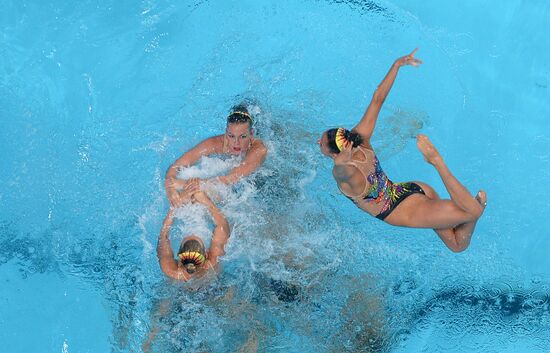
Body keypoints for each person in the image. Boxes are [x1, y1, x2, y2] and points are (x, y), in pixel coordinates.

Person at [317, 49, 487, 252]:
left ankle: (438, 164)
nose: (317, 142)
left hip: (407, 211)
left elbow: (341, 170)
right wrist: (396, 65)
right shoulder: (360, 140)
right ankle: (467, 205)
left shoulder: (344, 173)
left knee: (472, 214)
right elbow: (377, 99)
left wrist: (341, 163)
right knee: (456, 243)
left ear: (335, 153)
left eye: (321, 143)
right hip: (410, 189)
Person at [165, 104, 268, 207]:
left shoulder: (259, 150)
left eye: (243, 137)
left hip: (263, 184)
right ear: (226, 132)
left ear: (251, 134)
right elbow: (177, 166)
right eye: (231, 136)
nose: (236, 143)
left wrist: (183, 184)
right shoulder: (216, 143)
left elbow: (231, 178)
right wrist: (170, 191)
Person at [157, 191, 230, 281]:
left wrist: (175, 206)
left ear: (179, 262)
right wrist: (207, 201)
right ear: (206, 255)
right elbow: (223, 226)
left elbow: (163, 236)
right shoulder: (212, 263)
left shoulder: (171, 271)